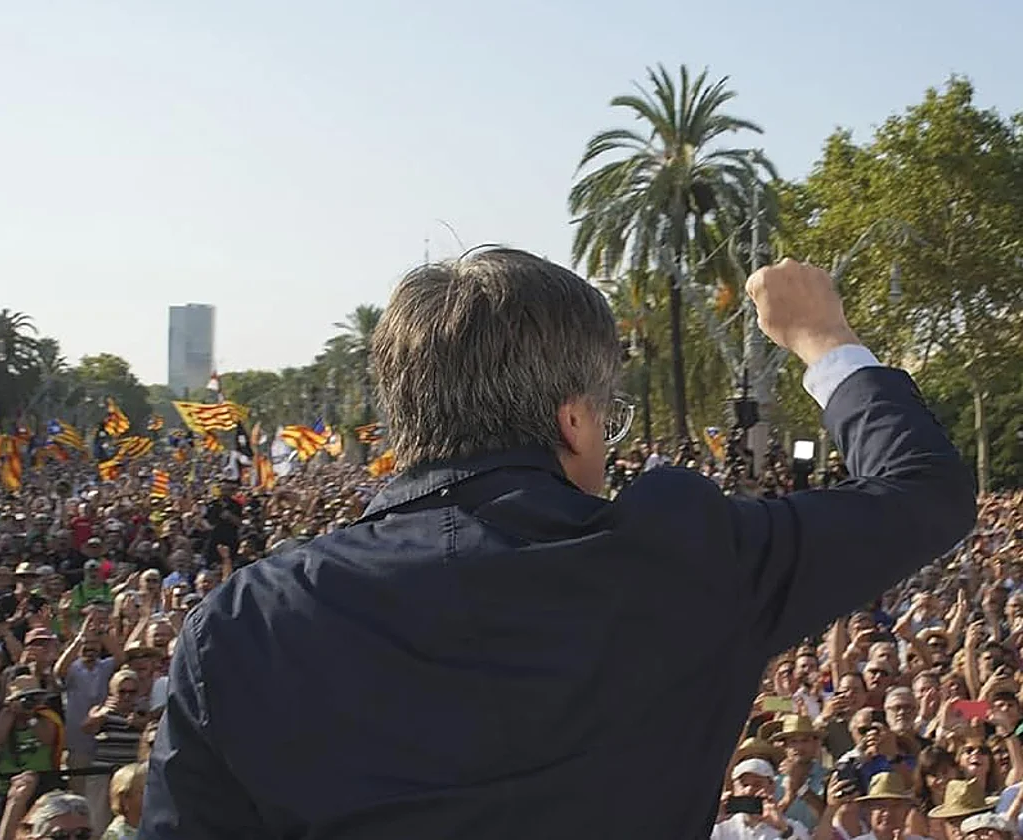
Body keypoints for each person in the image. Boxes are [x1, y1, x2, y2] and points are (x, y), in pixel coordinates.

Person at [142, 250, 977, 838]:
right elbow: (923, 491)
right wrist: (822, 338)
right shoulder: (681, 557)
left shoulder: (242, 622)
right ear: (572, 418)